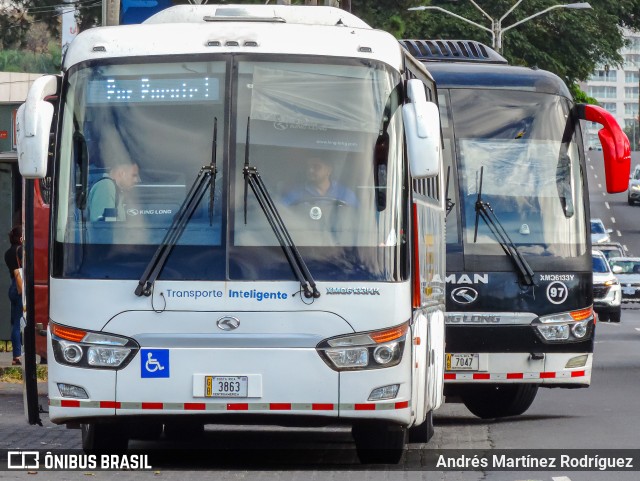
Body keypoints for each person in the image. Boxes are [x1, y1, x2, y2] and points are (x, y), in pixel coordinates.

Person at [281, 156, 357, 207]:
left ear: (329, 170)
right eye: (308, 167)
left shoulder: (345, 193)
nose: (310, 170)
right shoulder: (296, 193)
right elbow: (281, 210)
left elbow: (358, 215)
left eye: (316, 167)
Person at [4, 225, 23, 365]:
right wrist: (23, 292)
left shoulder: (7, 253)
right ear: (21, 238)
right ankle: (17, 356)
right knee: (19, 323)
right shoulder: (20, 250)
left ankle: (16, 355)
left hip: (12, 288)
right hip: (19, 286)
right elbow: (18, 273)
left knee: (15, 322)